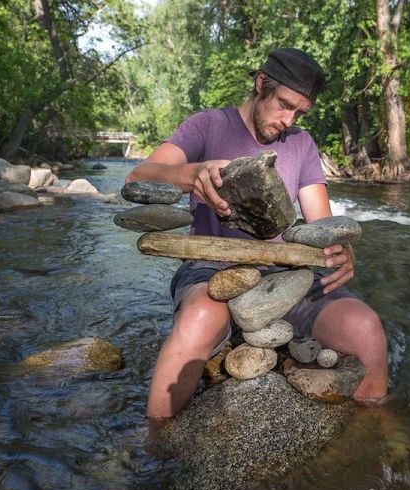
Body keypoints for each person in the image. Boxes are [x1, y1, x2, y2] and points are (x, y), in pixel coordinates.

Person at [127, 48, 388, 419]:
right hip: (209, 271)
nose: (289, 120)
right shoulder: (207, 125)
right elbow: (138, 177)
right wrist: (195, 173)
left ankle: (374, 439)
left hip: (287, 279)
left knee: (366, 329)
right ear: (261, 83)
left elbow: (321, 225)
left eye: (300, 112)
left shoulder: (302, 144)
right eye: (284, 105)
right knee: (201, 315)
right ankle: (154, 441)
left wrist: (341, 248)